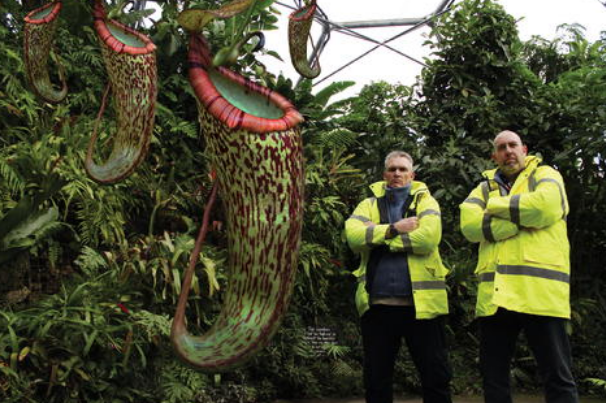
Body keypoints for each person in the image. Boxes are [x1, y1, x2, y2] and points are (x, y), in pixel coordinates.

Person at [459, 130, 578, 403]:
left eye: (513, 145)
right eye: (501, 147)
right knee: (494, 378)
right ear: (494, 155)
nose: (508, 151)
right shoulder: (482, 187)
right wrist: (522, 218)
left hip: (540, 292)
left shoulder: (546, 174)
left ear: (524, 149)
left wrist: (495, 206)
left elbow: (546, 207)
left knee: (557, 376)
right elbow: (469, 226)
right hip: (495, 297)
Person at [345, 151, 452, 403]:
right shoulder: (368, 204)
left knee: (435, 377)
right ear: (384, 175)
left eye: (403, 170)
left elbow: (427, 239)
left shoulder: (426, 203)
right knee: (376, 380)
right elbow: (353, 238)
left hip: (422, 308)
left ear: (412, 175)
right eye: (392, 169)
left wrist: (382, 239)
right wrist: (395, 228)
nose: (397, 174)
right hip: (378, 307)